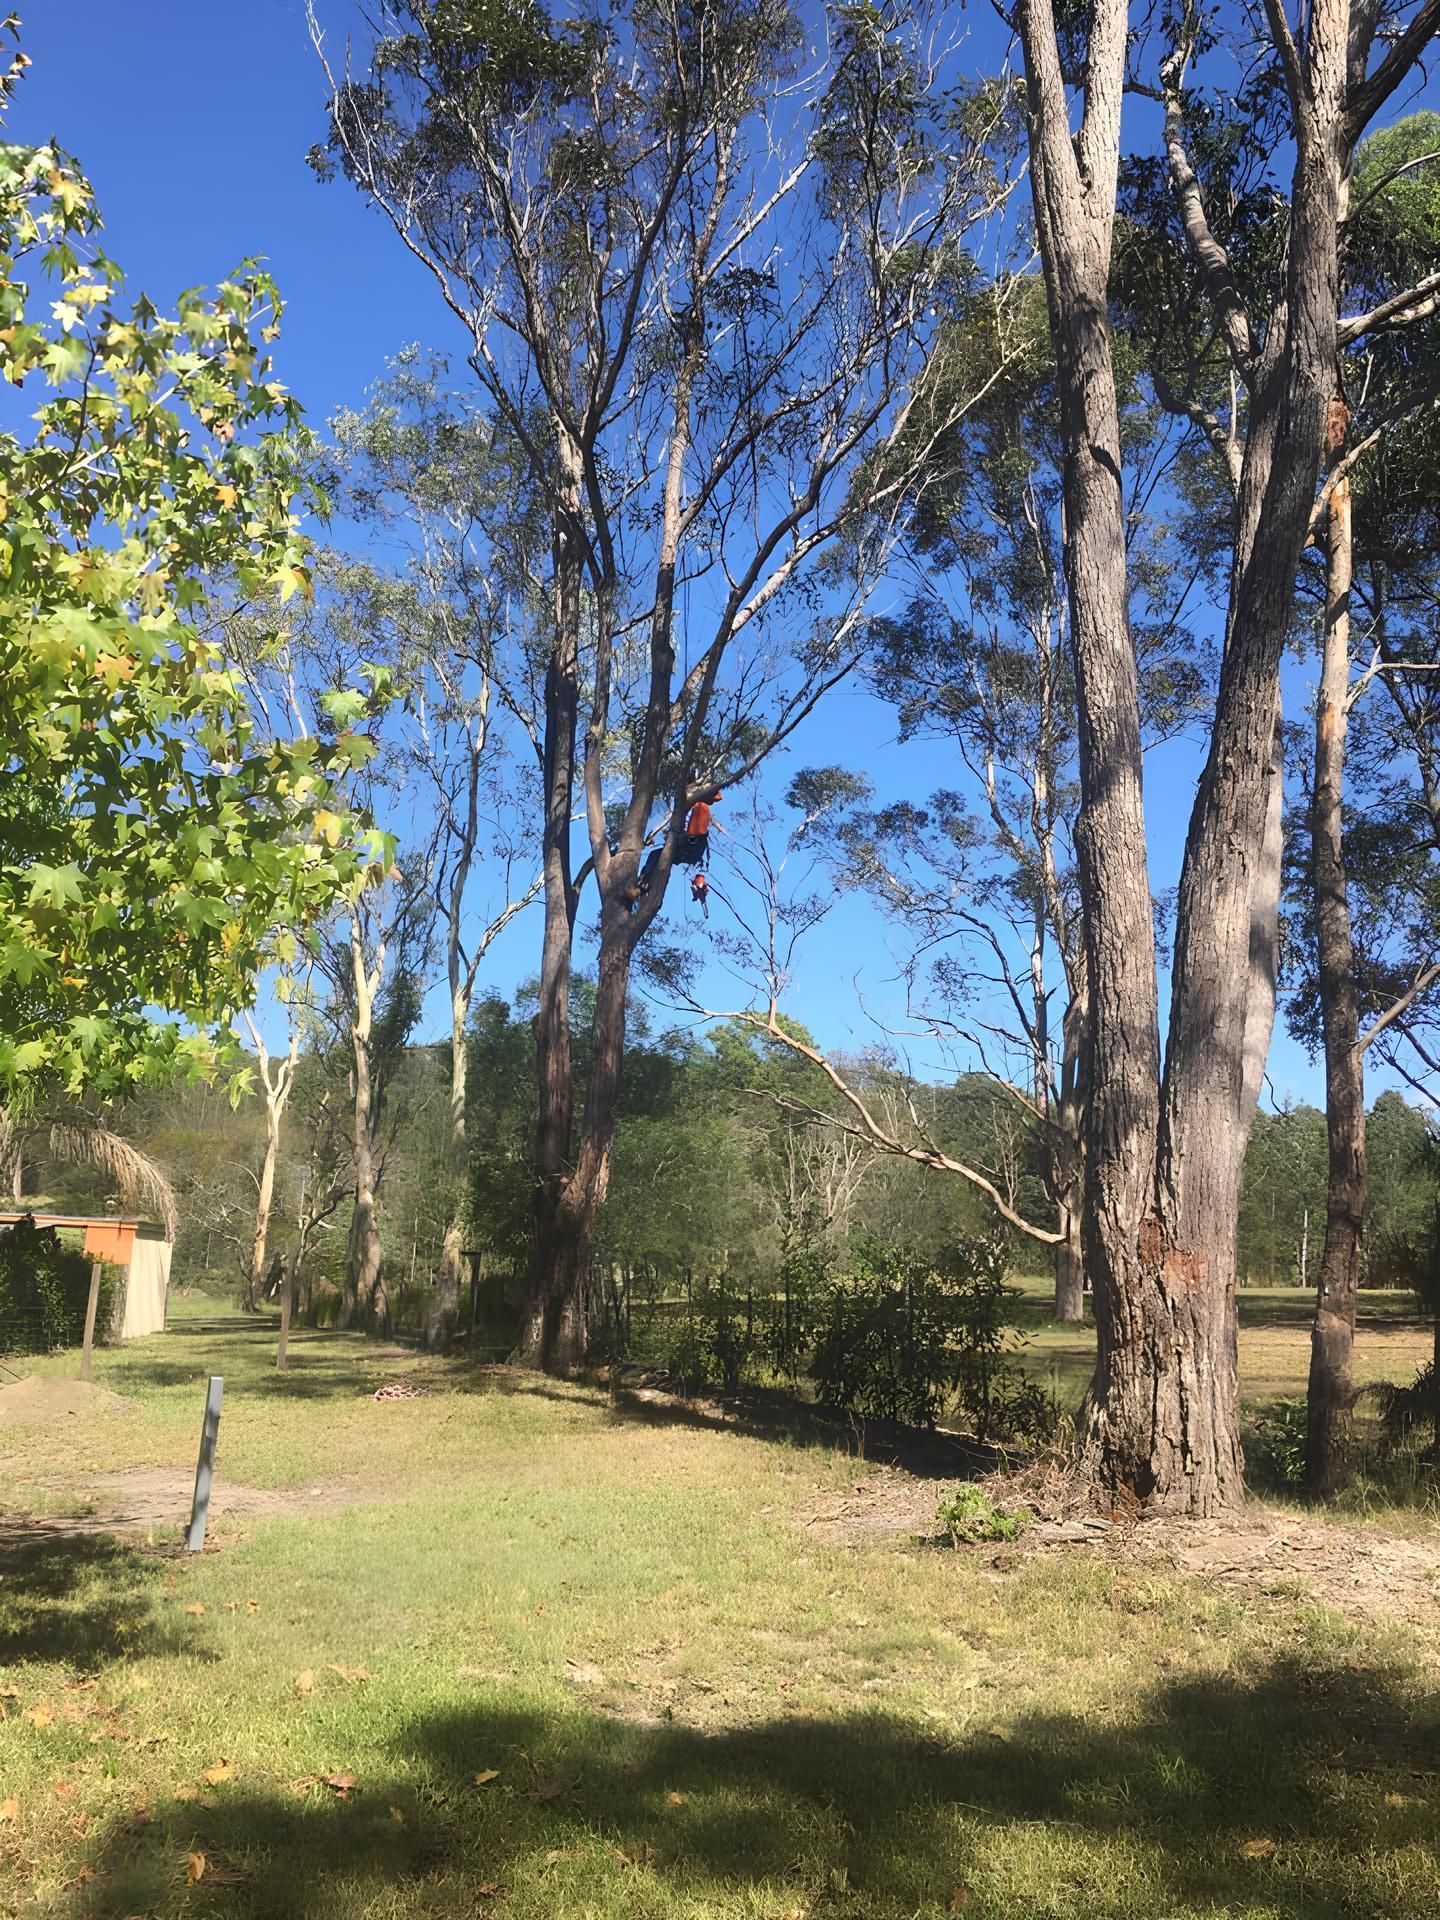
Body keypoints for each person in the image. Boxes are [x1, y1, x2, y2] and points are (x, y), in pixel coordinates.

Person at [675, 788, 722, 867]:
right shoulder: (701, 806)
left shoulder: (701, 806)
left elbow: (695, 832)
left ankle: (647, 875)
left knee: (656, 854)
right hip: (693, 849)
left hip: (691, 848)